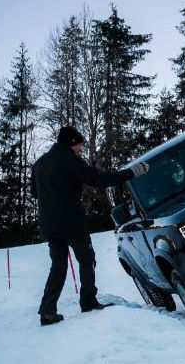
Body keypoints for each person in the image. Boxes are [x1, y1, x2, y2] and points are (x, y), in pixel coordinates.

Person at [31, 126, 148, 326]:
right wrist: (130, 173)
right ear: (70, 143)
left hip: (50, 225)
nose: (81, 148)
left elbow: (34, 193)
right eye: (79, 144)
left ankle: (48, 310)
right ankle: (88, 301)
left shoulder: (39, 164)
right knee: (87, 259)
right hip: (71, 222)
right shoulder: (70, 160)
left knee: (58, 266)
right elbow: (98, 179)